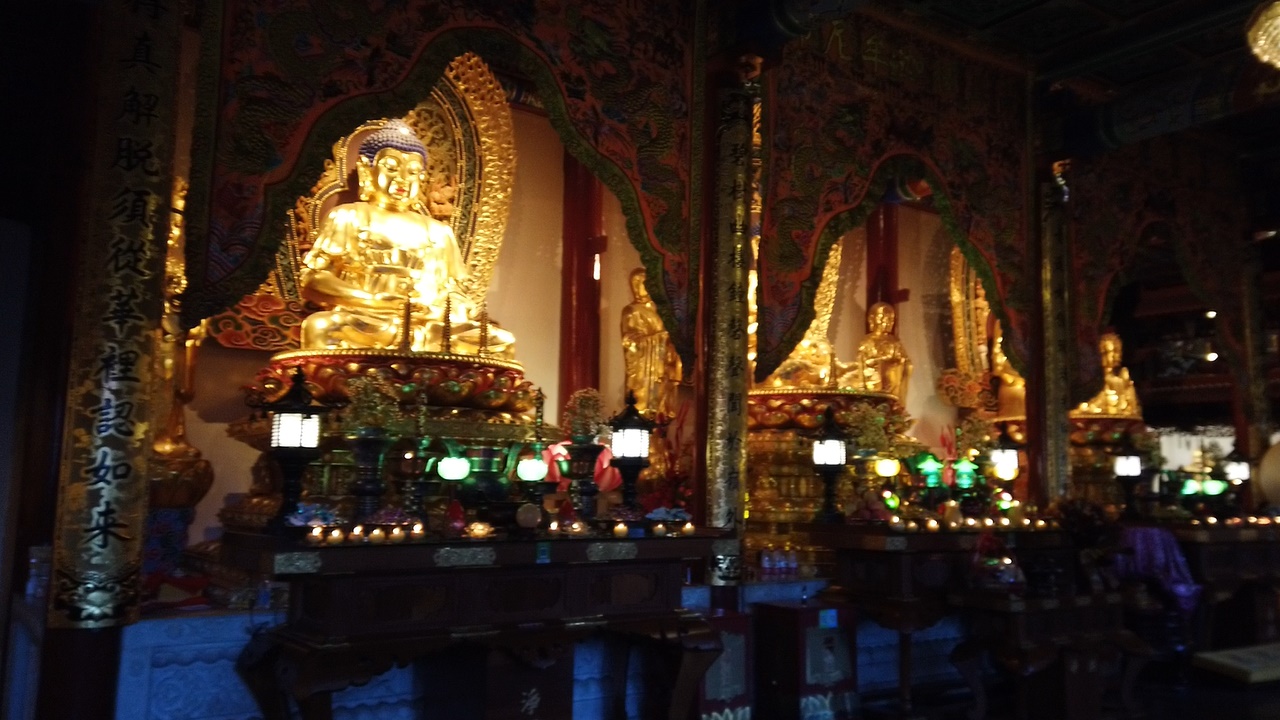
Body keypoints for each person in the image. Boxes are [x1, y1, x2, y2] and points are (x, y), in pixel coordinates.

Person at [299, 120, 514, 358]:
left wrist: (442, 310)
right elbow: (313, 280)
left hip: (427, 327)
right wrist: (373, 300)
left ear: (421, 178)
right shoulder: (349, 216)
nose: (402, 179)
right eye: (391, 168)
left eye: (412, 172)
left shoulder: (439, 231)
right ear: (366, 170)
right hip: (369, 320)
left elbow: (454, 293)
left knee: (501, 342)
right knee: (319, 327)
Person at [620, 268, 679, 416]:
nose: (638, 287)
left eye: (642, 283)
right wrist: (658, 338)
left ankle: (660, 418)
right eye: (635, 283)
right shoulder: (631, 310)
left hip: (661, 363)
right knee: (640, 404)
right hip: (642, 368)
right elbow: (628, 341)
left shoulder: (660, 309)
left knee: (662, 398)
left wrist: (667, 340)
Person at [844, 302, 912, 402]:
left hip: (892, 376)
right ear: (872, 319)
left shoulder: (894, 341)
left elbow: (905, 360)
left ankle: (896, 403)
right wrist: (878, 362)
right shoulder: (867, 341)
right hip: (873, 376)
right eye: (883, 318)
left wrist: (901, 362)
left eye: (890, 319)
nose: (886, 322)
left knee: (903, 367)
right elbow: (861, 361)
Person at [1075, 332, 1142, 418]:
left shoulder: (1121, 380)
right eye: (1105, 353)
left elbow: (1129, 407)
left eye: (1114, 352)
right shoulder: (1095, 381)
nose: (1111, 357)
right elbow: (1097, 399)